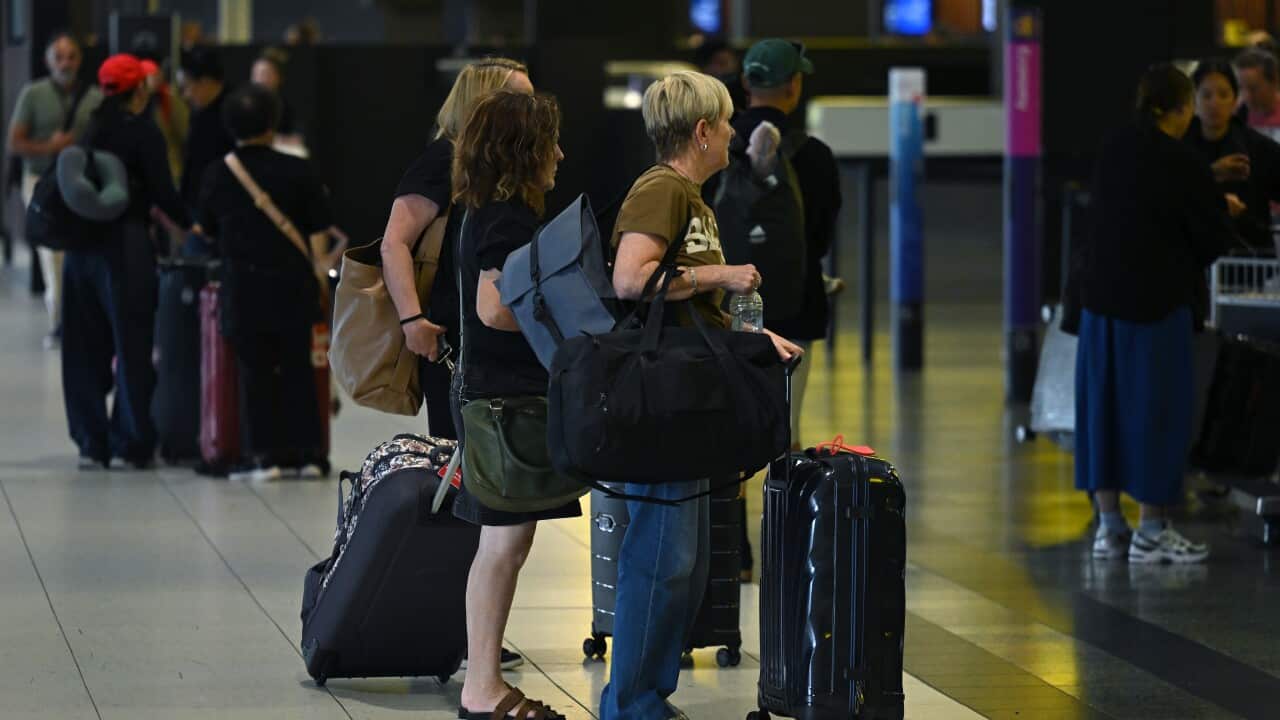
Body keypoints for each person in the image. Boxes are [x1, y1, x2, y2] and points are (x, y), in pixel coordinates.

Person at [600, 71, 801, 720]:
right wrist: (723, 272)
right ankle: (630, 703)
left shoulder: (690, 196)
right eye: (726, 121)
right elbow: (632, 279)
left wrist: (757, 338)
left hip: (688, 398)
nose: (737, 133)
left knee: (680, 562)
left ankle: (648, 695)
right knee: (661, 558)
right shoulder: (663, 189)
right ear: (702, 131)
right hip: (664, 402)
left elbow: (693, 309)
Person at [1076, 64, 1235, 564]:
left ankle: (1110, 528)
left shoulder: (1113, 148)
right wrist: (1221, 204)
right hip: (1156, 306)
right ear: (1182, 107)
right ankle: (1152, 530)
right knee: (1157, 413)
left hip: (1099, 303)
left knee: (1103, 411)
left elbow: (1135, 201)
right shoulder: (1180, 160)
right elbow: (1208, 235)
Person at [449, 89, 574, 720]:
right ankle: (483, 688)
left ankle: (484, 679)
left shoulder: (488, 211)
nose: (559, 153)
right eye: (549, 142)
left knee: (505, 542)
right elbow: (493, 308)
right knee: (503, 543)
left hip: (494, 396)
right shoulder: (506, 220)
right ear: (523, 152)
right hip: (502, 401)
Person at [382, 58, 532, 446]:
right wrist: (412, 319)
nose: (532, 113)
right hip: (449, 333)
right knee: (458, 451)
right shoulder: (443, 160)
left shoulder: (495, 165)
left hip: (481, 332)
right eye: (520, 100)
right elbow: (394, 241)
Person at [196, 84, 334, 481]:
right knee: (298, 367)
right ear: (273, 123)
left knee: (255, 372)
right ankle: (307, 453)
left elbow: (205, 229)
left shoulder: (218, 174)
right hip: (292, 286)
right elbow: (319, 229)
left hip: (244, 288)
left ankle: (263, 455)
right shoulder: (298, 169)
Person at [62, 54, 191, 469]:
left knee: (82, 347)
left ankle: (90, 441)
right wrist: (193, 225)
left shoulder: (89, 128)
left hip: (79, 248)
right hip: (125, 246)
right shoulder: (143, 131)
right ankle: (132, 441)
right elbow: (163, 194)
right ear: (140, 90)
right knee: (131, 341)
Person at [6, 32, 103, 349]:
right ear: (48, 61)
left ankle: (81, 321)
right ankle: (60, 324)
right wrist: (50, 146)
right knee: (53, 259)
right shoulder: (33, 94)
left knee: (83, 254)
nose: (65, 63)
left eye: (71, 56)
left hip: (81, 185)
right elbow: (15, 142)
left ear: (80, 60)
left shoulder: (95, 97)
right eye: (59, 56)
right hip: (42, 183)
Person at [1185, 58, 1280, 255]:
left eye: (1223, 95)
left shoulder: (1257, 146)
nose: (1214, 103)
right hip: (1193, 256)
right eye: (1206, 95)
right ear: (1193, 100)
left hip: (1248, 259)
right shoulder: (1179, 146)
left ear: (1236, 99)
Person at [178, 46, 234, 214]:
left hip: (221, 208)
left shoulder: (234, 112)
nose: (185, 95)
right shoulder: (199, 110)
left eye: (187, 86)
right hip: (196, 204)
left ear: (206, 83)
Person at [250, 49, 304, 151]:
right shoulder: (242, 106)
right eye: (256, 74)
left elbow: (297, 138)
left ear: (279, 78)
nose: (260, 80)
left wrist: (275, 139)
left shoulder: (287, 108)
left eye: (266, 74)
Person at [1233, 48, 1280, 142]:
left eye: (1253, 89)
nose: (1246, 96)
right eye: (1241, 88)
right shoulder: (1237, 117)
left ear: (1274, 82)